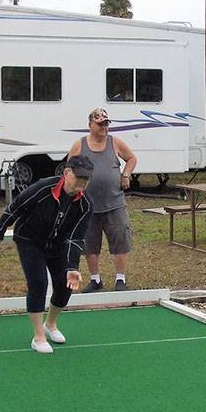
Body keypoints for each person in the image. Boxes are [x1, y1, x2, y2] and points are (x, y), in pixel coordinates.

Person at [0, 155, 93, 354]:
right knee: (38, 282)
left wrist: (72, 267)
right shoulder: (44, 187)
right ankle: (38, 336)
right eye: (79, 177)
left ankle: (50, 324)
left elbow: (76, 237)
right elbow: (16, 206)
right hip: (29, 239)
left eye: (86, 179)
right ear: (67, 173)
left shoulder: (86, 205)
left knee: (65, 284)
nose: (82, 183)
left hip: (58, 244)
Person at [67, 108, 137, 292]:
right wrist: (73, 188)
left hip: (114, 202)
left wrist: (126, 174)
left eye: (106, 124)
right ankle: (95, 279)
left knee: (120, 238)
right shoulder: (80, 145)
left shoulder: (115, 143)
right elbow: (69, 167)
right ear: (90, 124)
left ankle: (120, 279)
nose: (104, 127)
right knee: (90, 243)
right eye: (100, 124)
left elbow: (131, 158)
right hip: (87, 204)